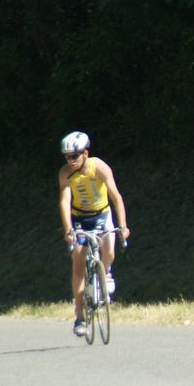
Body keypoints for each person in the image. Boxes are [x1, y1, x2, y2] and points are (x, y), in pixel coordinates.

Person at [57, 131, 130, 337]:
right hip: (80, 218)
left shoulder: (98, 166)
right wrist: (68, 229)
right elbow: (64, 201)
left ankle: (105, 273)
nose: (70, 161)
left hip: (102, 214)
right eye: (67, 157)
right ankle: (79, 316)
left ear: (85, 153)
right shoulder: (65, 173)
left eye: (74, 156)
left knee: (110, 251)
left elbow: (116, 196)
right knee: (78, 261)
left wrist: (123, 226)